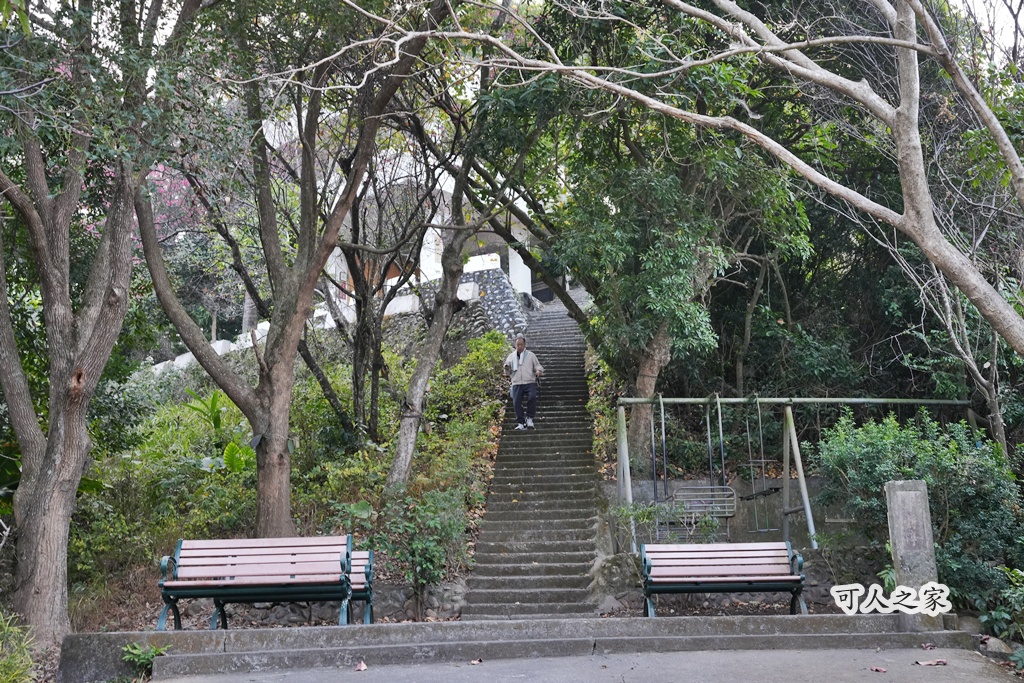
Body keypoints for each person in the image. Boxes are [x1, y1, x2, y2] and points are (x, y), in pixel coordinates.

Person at [503, 333, 544, 430]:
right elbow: (507, 371)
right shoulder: (511, 356)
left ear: (524, 345)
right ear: (515, 345)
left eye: (521, 344)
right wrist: (506, 368)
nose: (520, 346)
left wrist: (538, 371)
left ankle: (529, 418)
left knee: (532, 397)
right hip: (517, 382)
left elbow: (537, 365)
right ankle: (521, 422)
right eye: (518, 345)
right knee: (516, 402)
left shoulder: (531, 355)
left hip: (529, 381)